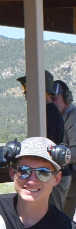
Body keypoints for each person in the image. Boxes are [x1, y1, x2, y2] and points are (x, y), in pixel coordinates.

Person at [17, 71, 68, 209]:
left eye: (27, 90)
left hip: (51, 173)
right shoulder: (47, 112)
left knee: (51, 213)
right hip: (47, 173)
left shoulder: (49, 114)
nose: (25, 94)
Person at [52, 80, 76, 217]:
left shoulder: (73, 116)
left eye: (55, 99)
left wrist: (55, 156)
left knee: (64, 217)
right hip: (68, 173)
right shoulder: (61, 116)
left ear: (66, 98)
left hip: (71, 175)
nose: (53, 103)